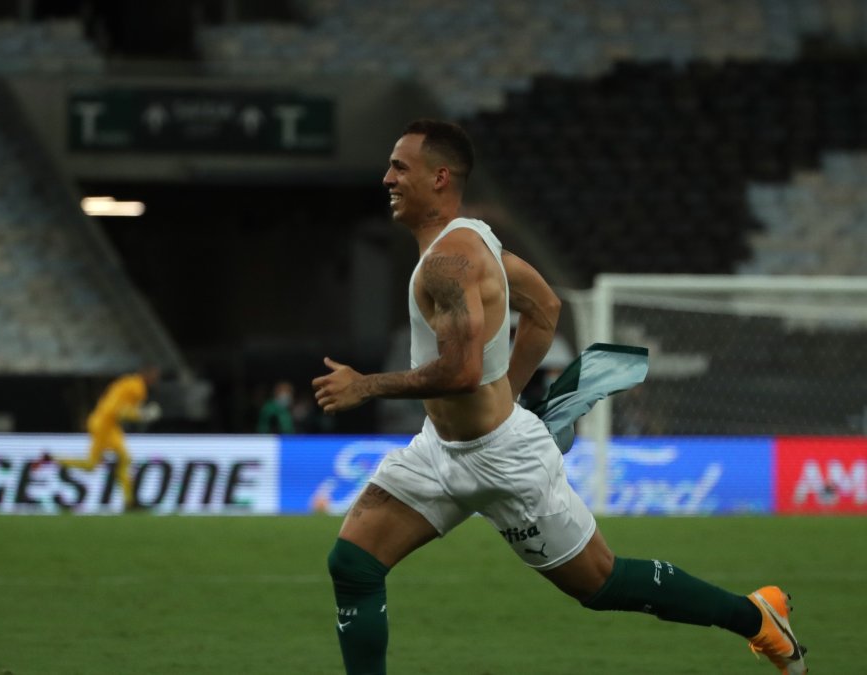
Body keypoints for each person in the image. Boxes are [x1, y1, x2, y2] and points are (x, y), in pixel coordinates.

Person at [311, 119, 806, 675]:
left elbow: (463, 370)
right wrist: (513, 396)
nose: (387, 179)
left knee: (602, 583)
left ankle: (757, 617)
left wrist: (366, 386)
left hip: (503, 462)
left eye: (400, 168)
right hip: (439, 451)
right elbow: (545, 309)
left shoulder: (450, 262)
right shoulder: (476, 243)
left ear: (440, 177)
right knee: (353, 562)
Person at [52, 366, 162, 510]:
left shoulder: (127, 381)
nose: (156, 379)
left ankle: (130, 501)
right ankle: (53, 459)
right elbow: (119, 411)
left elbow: (115, 405)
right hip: (103, 425)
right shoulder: (137, 388)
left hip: (108, 424)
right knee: (91, 465)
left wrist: (139, 414)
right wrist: (143, 415)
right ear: (146, 374)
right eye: (154, 375)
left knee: (124, 459)